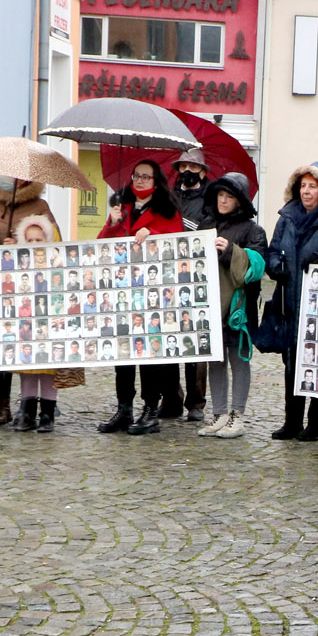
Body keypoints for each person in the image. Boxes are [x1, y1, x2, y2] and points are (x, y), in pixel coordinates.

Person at [97, 160, 183, 436]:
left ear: (156, 182)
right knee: (123, 355)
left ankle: (150, 411)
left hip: (152, 297)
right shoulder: (121, 209)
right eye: (137, 175)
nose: (141, 181)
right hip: (123, 294)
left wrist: (153, 233)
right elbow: (102, 246)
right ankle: (124, 409)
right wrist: (113, 224)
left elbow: (177, 245)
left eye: (147, 176)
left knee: (148, 356)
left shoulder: (167, 211)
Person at [267, 163, 318, 441]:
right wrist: (277, 266)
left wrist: (317, 260)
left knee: (317, 365)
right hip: (289, 303)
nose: (306, 191)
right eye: (303, 185)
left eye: (313, 186)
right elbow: (273, 251)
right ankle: (291, 422)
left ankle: (317, 424)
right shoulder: (285, 219)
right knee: (291, 364)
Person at [0, 175, 63, 425]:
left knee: (44, 360)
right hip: (9, 284)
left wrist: (24, 245)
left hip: (41, 292)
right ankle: (9, 405)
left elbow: (53, 239)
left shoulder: (39, 206)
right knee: (15, 355)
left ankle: (47, 410)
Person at [201, 173, 267, 437]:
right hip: (210, 306)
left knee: (238, 360)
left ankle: (237, 416)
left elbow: (256, 269)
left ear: (240, 201)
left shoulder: (254, 230)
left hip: (239, 308)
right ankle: (219, 414)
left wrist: (230, 251)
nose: (223, 200)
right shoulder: (206, 225)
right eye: (220, 195)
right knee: (215, 360)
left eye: (229, 196)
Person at [171, 146, 213, 421]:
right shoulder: (169, 197)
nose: (187, 172)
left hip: (198, 276)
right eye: (183, 166)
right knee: (170, 340)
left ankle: (196, 402)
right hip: (169, 276)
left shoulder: (210, 200)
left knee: (197, 343)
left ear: (202, 171)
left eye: (193, 167)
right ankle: (171, 398)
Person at [12, 217, 65, 432]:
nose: (34, 244)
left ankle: (48, 414)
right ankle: (27, 411)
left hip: (48, 322)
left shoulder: (56, 259)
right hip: (27, 323)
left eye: (38, 239)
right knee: (28, 368)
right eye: (30, 240)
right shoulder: (20, 261)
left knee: (48, 368)